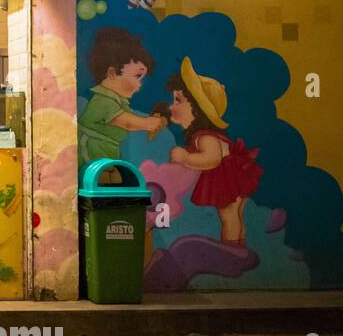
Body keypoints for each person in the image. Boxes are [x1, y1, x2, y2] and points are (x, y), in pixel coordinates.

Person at [165, 57, 263, 245]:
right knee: (236, 216)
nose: (172, 106)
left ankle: (232, 249)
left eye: (178, 101)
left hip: (228, 176)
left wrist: (185, 158)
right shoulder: (206, 135)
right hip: (236, 173)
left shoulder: (205, 136)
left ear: (197, 109)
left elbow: (212, 159)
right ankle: (240, 246)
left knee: (229, 217)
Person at [78, 27, 168, 167]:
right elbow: (126, 122)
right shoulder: (103, 101)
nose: (139, 85)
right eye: (137, 76)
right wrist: (147, 123)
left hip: (105, 151)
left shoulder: (114, 100)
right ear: (112, 73)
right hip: (91, 153)